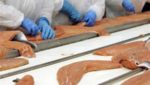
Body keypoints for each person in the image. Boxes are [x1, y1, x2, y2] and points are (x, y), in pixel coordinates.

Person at [0, 0, 80, 40]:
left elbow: (46, 3)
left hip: (32, 36)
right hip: (7, 35)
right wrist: (20, 19)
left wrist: (44, 18)